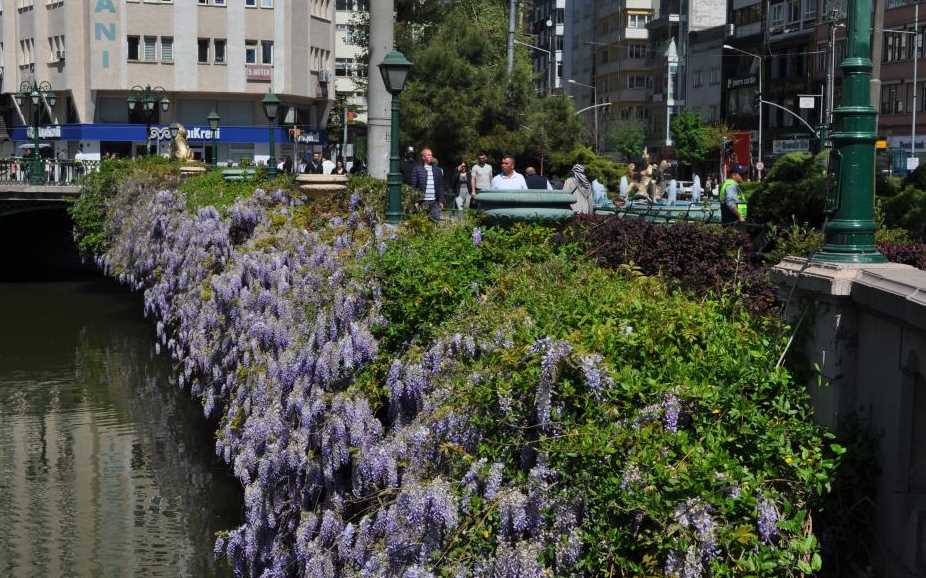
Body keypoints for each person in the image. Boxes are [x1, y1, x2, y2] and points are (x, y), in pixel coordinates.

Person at [410, 147, 445, 221]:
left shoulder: (437, 170)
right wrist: (415, 201)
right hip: (422, 202)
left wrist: (441, 201)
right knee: (422, 223)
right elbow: (413, 187)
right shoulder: (417, 169)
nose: (430, 156)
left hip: (434, 202)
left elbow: (441, 186)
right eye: (428, 155)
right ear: (423, 157)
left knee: (436, 223)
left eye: (431, 155)